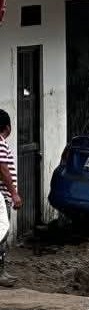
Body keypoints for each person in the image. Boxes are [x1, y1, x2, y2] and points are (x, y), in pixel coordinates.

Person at [0, 111, 21, 287]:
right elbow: (3, 170)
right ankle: (0, 273)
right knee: (1, 235)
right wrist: (13, 193)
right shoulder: (0, 143)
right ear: (8, 127)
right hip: (1, 198)